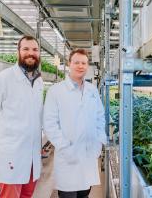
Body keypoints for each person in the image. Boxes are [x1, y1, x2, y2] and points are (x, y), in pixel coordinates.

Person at [0, 35, 43, 198]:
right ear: (18, 52)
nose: (31, 53)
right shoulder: (3, 79)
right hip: (11, 155)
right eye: (26, 49)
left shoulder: (38, 81)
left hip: (32, 156)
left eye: (35, 50)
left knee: (27, 195)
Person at [43, 49, 106, 198]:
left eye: (84, 63)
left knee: (85, 193)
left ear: (87, 66)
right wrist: (65, 147)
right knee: (68, 194)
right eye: (76, 62)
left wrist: (99, 142)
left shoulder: (92, 90)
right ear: (69, 64)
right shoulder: (56, 91)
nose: (80, 66)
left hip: (88, 155)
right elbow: (50, 124)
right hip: (68, 156)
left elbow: (100, 117)